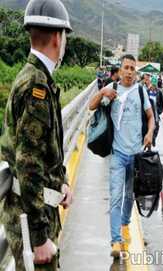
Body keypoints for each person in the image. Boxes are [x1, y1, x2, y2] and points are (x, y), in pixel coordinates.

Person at [0, 0, 73, 269]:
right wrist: (40, 237)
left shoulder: (35, 77)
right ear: (58, 37)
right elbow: (29, 161)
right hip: (31, 218)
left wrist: (61, 180)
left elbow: (46, 147)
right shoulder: (36, 86)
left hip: (34, 210)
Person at [89, 54, 155, 258]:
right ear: (121, 69)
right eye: (126, 67)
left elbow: (151, 117)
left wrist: (149, 132)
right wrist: (102, 92)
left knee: (130, 196)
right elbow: (91, 106)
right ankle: (116, 240)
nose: (129, 71)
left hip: (135, 156)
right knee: (116, 197)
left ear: (136, 71)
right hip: (117, 154)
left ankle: (125, 225)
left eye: (132, 68)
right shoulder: (113, 89)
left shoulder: (141, 91)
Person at [147, 76, 163, 146]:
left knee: (156, 127)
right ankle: (149, 141)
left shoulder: (159, 92)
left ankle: (153, 138)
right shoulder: (147, 91)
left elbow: (162, 104)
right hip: (148, 112)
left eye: (155, 84)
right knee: (149, 127)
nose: (153, 86)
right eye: (152, 84)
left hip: (156, 112)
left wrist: (159, 111)